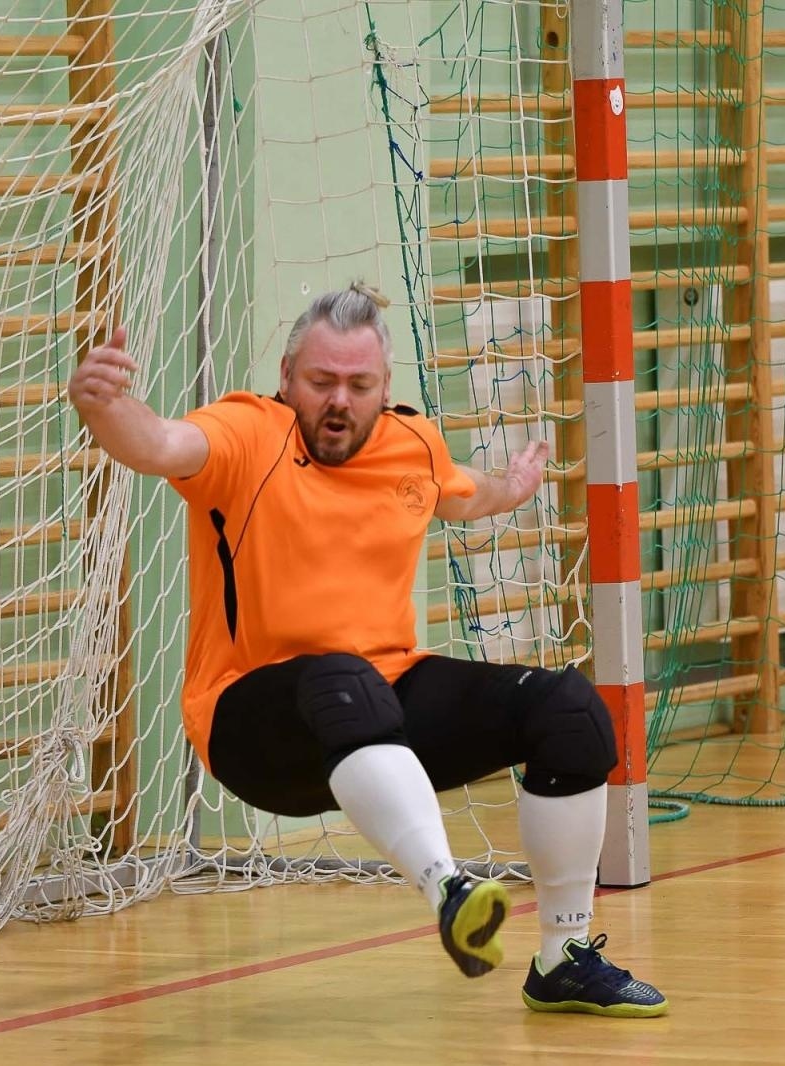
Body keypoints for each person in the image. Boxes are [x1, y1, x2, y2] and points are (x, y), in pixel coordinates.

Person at [67, 283, 666, 1017]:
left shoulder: (410, 444)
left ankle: (563, 959)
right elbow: (159, 443)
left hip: (379, 708)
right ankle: (449, 890)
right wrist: (104, 408)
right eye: (321, 382)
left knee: (567, 708)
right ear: (287, 378)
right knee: (340, 675)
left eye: (358, 385)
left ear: (385, 391)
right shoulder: (247, 434)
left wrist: (511, 488)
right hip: (253, 729)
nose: (338, 402)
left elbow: (460, 492)